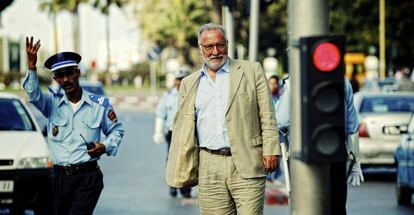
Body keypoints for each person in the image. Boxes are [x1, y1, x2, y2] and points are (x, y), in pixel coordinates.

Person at [166, 23, 280, 215]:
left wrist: (271, 149)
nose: (215, 52)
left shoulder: (252, 71)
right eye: (209, 47)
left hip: (248, 161)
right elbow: (183, 128)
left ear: (227, 44)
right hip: (209, 165)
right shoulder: (189, 83)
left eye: (220, 45)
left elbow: (267, 115)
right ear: (201, 48)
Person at [23, 37, 124, 215]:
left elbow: (116, 130)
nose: (66, 79)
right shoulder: (51, 103)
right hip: (58, 179)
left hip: (87, 178)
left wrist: (105, 146)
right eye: (60, 75)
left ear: (77, 72)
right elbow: (33, 95)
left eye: (69, 73)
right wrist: (31, 66)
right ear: (55, 78)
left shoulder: (99, 105)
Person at [275, 76, 364, 215]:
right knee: (336, 206)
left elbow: (282, 121)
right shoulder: (343, 82)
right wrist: (356, 161)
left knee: (306, 207)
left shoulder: (294, 82)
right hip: (335, 152)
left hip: (303, 155)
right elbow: (352, 126)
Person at [153, 69, 192, 198]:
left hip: (190, 132)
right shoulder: (168, 96)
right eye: (178, 79)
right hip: (172, 131)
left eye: (183, 79)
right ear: (175, 81)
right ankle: (172, 185)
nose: (180, 82)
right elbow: (160, 114)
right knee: (172, 158)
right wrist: (158, 132)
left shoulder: (194, 94)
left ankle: (186, 188)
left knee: (188, 159)